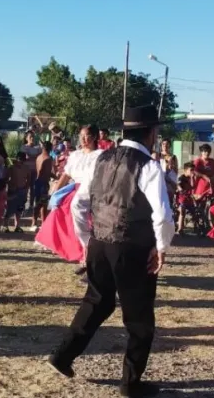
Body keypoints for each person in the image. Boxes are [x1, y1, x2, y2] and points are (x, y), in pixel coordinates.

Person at [49, 107, 174, 398]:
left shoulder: (100, 159)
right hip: (132, 247)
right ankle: (130, 384)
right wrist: (161, 247)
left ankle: (62, 356)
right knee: (139, 317)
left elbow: (81, 202)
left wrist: (87, 240)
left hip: (99, 243)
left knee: (96, 302)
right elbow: (163, 215)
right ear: (151, 134)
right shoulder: (148, 165)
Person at [36, 124, 103, 267]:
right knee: (60, 210)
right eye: (81, 136)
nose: (84, 139)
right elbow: (66, 175)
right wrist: (54, 192)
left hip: (92, 191)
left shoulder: (100, 155)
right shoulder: (75, 155)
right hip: (75, 189)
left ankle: (89, 254)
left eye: (87, 136)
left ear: (95, 137)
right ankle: (79, 252)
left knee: (87, 220)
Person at [31, 141, 55, 230]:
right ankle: (42, 222)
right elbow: (47, 173)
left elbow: (40, 170)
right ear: (50, 149)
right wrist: (57, 177)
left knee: (38, 203)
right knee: (42, 204)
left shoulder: (38, 157)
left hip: (37, 182)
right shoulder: (48, 159)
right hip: (43, 183)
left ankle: (35, 222)